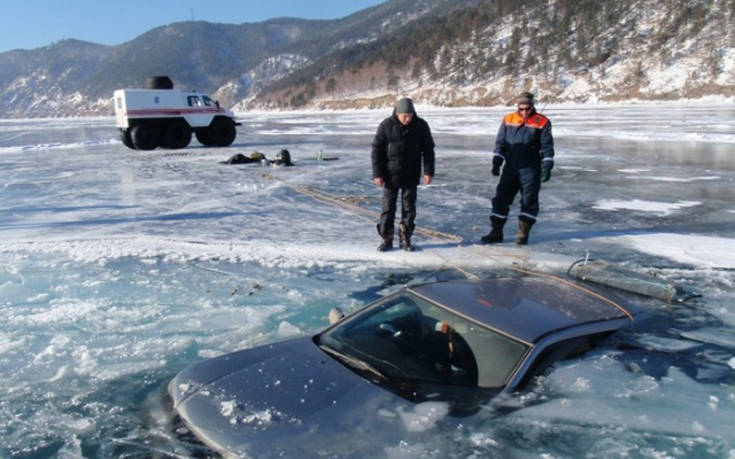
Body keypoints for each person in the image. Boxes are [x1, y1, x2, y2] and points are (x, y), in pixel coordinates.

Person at [482, 92, 554, 245]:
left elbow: (547, 146)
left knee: (528, 200)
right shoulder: (509, 119)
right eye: (521, 109)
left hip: (531, 168)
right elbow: (500, 142)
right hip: (511, 167)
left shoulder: (542, 121)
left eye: (527, 108)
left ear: (532, 106)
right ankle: (496, 231)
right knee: (501, 198)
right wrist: (497, 161)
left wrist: (547, 166)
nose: (524, 112)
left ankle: (523, 233)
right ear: (517, 107)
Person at [372, 98, 435, 252]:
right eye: (404, 116)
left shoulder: (421, 125)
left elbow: (428, 150)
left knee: (409, 209)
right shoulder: (386, 125)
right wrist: (378, 174)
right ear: (397, 114)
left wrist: (428, 171)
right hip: (390, 175)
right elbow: (376, 150)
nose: (407, 119)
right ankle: (386, 239)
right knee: (388, 208)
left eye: (410, 115)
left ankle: (405, 238)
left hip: (411, 174)